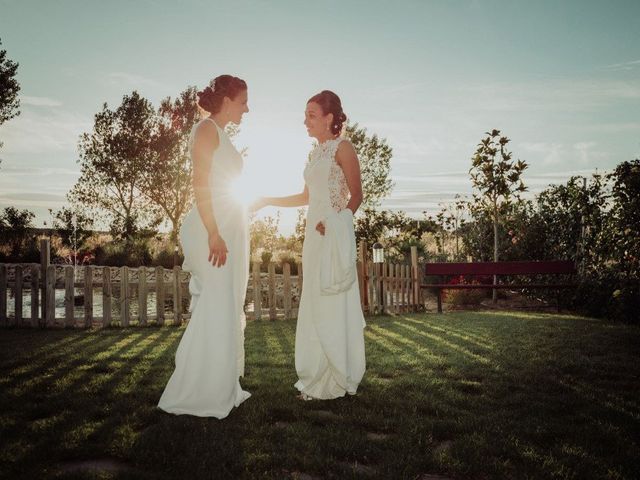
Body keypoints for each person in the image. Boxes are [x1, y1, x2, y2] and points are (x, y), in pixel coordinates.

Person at [252, 90, 366, 400]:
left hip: (331, 234)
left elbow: (356, 196)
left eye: (311, 115)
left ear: (330, 118)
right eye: (305, 115)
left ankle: (335, 379)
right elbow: (305, 197)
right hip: (313, 239)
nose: (305, 121)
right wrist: (266, 200)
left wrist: (335, 224)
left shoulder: (344, 148)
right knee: (315, 303)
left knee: (332, 303)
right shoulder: (316, 154)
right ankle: (316, 375)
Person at [158, 74, 251, 418]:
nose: (247, 108)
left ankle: (220, 384)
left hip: (226, 227)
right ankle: (199, 389)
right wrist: (214, 231)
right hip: (214, 231)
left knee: (224, 305)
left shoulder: (220, 133)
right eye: (243, 101)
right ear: (227, 100)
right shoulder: (207, 130)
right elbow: (200, 181)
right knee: (216, 303)